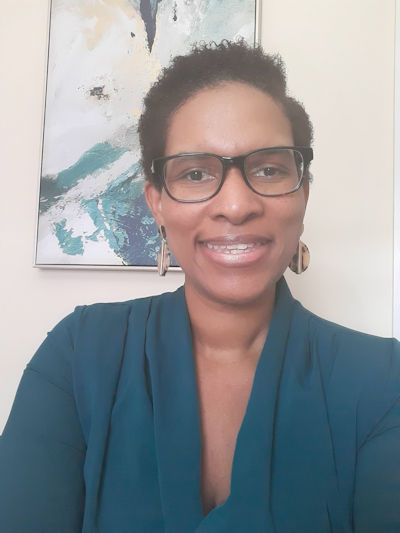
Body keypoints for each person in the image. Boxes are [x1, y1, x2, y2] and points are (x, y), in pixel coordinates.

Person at [0, 40, 399, 533]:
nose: (236, 205)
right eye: (194, 173)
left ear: (304, 192)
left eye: (269, 169)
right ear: (156, 202)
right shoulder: (78, 355)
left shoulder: (383, 379)